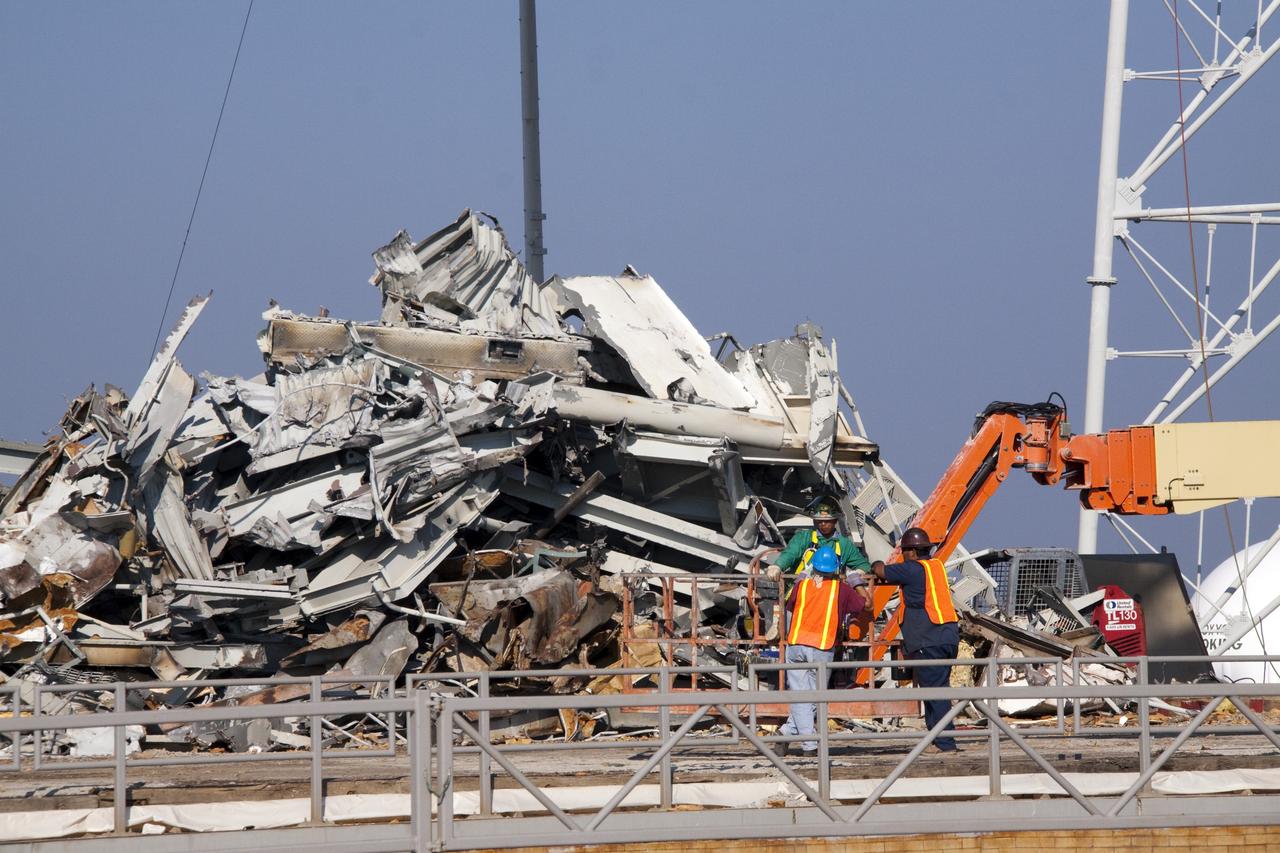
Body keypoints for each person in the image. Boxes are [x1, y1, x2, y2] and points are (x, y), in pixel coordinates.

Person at [869, 526, 961, 753]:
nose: (902, 554)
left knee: (936, 693)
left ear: (911, 551)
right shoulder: (935, 566)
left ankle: (946, 744)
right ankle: (937, 739)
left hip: (929, 640)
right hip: (947, 637)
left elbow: (881, 571)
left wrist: (873, 565)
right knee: (937, 690)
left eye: (904, 551)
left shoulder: (912, 569)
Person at [775, 546, 870, 757]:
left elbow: (791, 605)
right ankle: (810, 746)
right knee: (817, 699)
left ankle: (785, 732)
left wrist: (802, 579)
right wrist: (856, 581)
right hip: (822, 648)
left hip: (796, 644)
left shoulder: (802, 586)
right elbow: (866, 605)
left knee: (802, 697)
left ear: (814, 567)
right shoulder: (842, 589)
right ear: (836, 568)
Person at [772, 497, 872, 580]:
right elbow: (790, 554)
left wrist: (858, 573)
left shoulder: (844, 544)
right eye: (819, 521)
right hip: (801, 591)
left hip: (829, 595)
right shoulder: (803, 538)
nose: (823, 524)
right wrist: (778, 566)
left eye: (827, 521)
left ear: (835, 520)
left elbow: (863, 565)